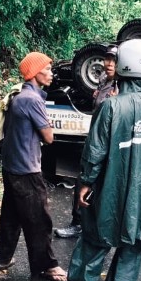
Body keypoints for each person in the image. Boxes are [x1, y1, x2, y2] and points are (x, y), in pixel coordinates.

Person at [59, 39, 141, 281]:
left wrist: (86, 183)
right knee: (135, 237)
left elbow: (95, 150)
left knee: (96, 232)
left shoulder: (111, 106)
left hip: (111, 184)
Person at [0, 52, 67, 281]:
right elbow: (49, 137)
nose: (51, 73)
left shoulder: (19, 96)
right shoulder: (32, 100)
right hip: (27, 169)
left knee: (12, 215)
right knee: (39, 219)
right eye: (47, 69)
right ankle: (47, 266)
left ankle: (3, 258)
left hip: (12, 166)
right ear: (35, 73)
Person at [55, 45, 119, 239]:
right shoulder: (102, 81)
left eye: (113, 61)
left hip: (109, 144)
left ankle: (92, 226)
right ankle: (79, 223)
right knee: (83, 179)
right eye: (107, 59)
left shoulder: (121, 87)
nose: (109, 64)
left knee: (98, 184)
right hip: (94, 139)